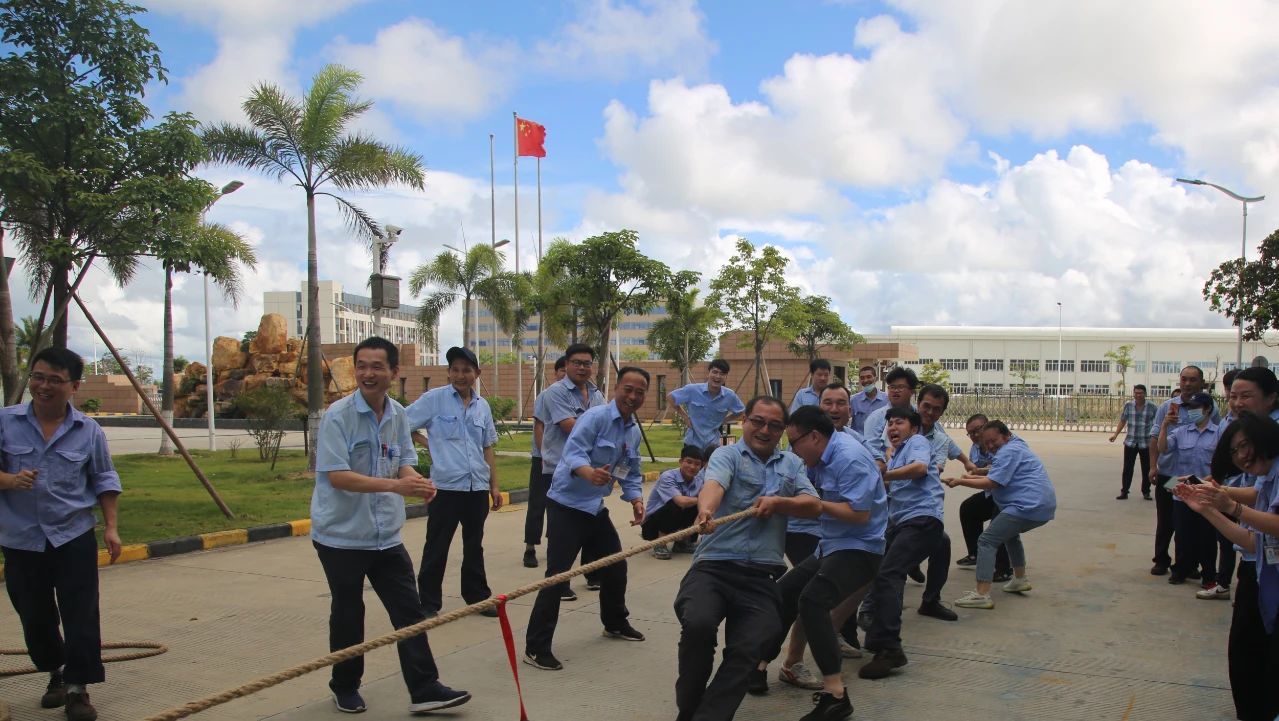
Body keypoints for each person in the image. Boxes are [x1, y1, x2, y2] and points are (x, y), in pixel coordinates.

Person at [310, 337, 469, 714]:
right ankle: (344, 685)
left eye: (377, 366)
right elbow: (337, 477)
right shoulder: (338, 416)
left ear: (393, 373)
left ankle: (425, 688)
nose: (368, 373)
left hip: (384, 535)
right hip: (341, 536)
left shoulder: (397, 414)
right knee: (349, 614)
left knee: (408, 611)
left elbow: (403, 462)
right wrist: (397, 486)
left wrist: (416, 482)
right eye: (362, 365)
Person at [673, 396, 820, 721]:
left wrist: (780, 502)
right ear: (745, 420)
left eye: (774, 425)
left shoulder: (791, 464)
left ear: (782, 430)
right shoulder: (727, 455)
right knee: (697, 625)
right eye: (758, 421)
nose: (765, 429)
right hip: (713, 567)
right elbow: (714, 485)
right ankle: (690, 709)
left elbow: (813, 503)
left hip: (759, 578)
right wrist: (706, 510)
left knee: (751, 645)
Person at [0, 347, 122, 721]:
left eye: (55, 380)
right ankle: (55, 671)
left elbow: (104, 479)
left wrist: (112, 528)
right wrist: (10, 480)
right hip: (22, 540)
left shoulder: (89, 431)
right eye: (38, 377)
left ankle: (77, 689)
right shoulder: (5, 423)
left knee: (81, 614)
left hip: (73, 537)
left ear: (73, 387)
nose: (44, 386)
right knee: (35, 616)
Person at [758, 407, 886, 721]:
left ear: (814, 436)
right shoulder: (822, 455)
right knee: (784, 592)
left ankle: (836, 695)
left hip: (861, 549)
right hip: (832, 544)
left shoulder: (849, 457)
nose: (794, 451)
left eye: (795, 442)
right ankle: (758, 666)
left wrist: (806, 506)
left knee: (813, 603)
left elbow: (859, 515)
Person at [523, 367, 650, 672]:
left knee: (615, 565)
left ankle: (615, 623)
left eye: (640, 392)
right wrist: (588, 473)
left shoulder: (632, 430)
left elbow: (630, 471)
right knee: (557, 576)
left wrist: (635, 498)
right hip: (566, 505)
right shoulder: (594, 418)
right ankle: (536, 648)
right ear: (616, 388)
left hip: (593, 507)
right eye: (628, 389)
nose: (632, 396)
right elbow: (572, 453)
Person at [1178, 411, 1279, 721]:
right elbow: (1254, 543)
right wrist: (1207, 508)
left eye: (1245, 445)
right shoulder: (1267, 480)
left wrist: (1231, 506)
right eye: (1234, 451)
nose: (1241, 456)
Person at [406, 346, 500, 619]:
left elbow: (487, 448)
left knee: (474, 545)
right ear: (448, 373)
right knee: (437, 546)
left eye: (466, 370)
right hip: (446, 488)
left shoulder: (483, 407)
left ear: (476, 374)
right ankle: (427, 604)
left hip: (476, 488)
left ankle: (478, 597)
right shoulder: (434, 400)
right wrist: (429, 443)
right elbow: (402, 422)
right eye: (455, 370)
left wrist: (494, 485)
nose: (460, 375)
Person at [949, 421, 1057, 610]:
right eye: (987, 443)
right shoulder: (1017, 445)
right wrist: (974, 475)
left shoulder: (1007, 451)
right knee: (1010, 535)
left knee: (986, 541)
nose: (990, 446)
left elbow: (993, 483)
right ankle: (1020, 579)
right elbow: (999, 472)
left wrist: (960, 481)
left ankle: (982, 594)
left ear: (1006, 436)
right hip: (1040, 506)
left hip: (1027, 506)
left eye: (994, 441)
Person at [533, 343, 606, 600]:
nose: (582, 367)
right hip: (560, 469)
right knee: (561, 530)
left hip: (590, 470)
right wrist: (602, 435)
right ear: (567, 364)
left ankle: (592, 572)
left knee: (591, 522)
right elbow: (570, 427)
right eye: (577, 362)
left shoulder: (597, 395)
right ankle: (559, 582)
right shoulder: (556, 392)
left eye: (587, 363)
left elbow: (606, 424)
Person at [1148, 366, 1215, 576]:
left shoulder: (1208, 408)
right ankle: (1161, 559)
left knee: (1192, 522)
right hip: (1170, 475)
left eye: (1192, 380)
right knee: (1167, 519)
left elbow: (1218, 438)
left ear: (1201, 382)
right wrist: (1152, 466)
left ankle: (1187, 564)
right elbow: (1154, 439)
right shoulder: (1167, 407)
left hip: (1196, 477)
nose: (1187, 384)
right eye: (1184, 379)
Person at [1156, 391, 1220, 589]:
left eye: (1196, 408)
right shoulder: (1182, 431)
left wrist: (1203, 483)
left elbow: (1222, 465)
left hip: (1205, 492)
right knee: (1183, 535)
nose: (1191, 412)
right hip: (1182, 493)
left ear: (1207, 409)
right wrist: (1165, 425)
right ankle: (1181, 570)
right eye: (1190, 409)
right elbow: (1163, 448)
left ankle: (1209, 575)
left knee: (1206, 537)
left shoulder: (1219, 433)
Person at [955, 413, 1013, 582]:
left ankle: (1004, 569)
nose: (975, 435)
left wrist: (966, 479)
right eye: (970, 433)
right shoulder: (975, 448)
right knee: (969, 509)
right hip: (992, 490)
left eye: (977, 430)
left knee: (997, 526)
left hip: (1008, 494)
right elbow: (978, 470)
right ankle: (975, 553)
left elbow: (995, 472)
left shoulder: (1003, 445)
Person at [524, 356, 568, 568]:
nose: (565, 375)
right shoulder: (546, 396)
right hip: (542, 459)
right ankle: (530, 547)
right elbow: (539, 426)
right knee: (537, 503)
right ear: (556, 373)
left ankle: (555, 546)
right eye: (561, 370)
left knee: (558, 505)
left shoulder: (575, 397)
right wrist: (543, 455)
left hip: (565, 460)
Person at [668, 359, 745, 457]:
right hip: (692, 443)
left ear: (726, 377)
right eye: (715, 372)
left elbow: (741, 411)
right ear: (708, 373)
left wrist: (725, 420)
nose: (717, 376)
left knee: (712, 471)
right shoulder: (692, 390)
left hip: (714, 445)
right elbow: (671, 398)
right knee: (691, 471)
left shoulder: (730, 396)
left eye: (722, 374)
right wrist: (685, 417)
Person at [643, 445, 706, 559]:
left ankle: (683, 543)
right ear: (681, 461)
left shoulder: (699, 481)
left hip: (676, 522)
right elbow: (681, 501)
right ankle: (660, 543)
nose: (692, 467)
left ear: (701, 466)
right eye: (689, 462)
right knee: (676, 504)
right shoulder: (668, 477)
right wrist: (702, 499)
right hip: (652, 526)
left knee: (699, 505)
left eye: (697, 464)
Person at [1110, 384, 1157, 500]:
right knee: (1127, 468)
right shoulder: (1129, 405)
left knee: (1146, 468)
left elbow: (1157, 424)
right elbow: (1123, 420)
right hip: (1131, 442)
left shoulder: (1152, 407)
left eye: (1141, 393)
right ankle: (1124, 491)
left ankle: (1146, 491)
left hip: (1146, 442)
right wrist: (1115, 434)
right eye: (1136, 393)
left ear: (1145, 394)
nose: (1138, 395)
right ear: (1133, 393)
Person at [849, 365, 887, 434]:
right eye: (862, 378)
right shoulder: (853, 400)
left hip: (879, 442)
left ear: (875, 378)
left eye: (869, 377)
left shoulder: (887, 400)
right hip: (859, 442)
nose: (865, 380)